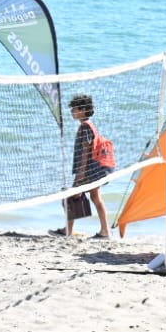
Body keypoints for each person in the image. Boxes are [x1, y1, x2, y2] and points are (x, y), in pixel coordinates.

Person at [62, 92, 114, 240]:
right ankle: (105, 231)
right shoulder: (90, 125)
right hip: (93, 170)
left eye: (75, 109)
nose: (72, 112)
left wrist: (80, 175)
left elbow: (86, 151)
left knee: (71, 198)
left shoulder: (85, 127)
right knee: (96, 198)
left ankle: (68, 230)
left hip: (87, 171)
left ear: (83, 110)